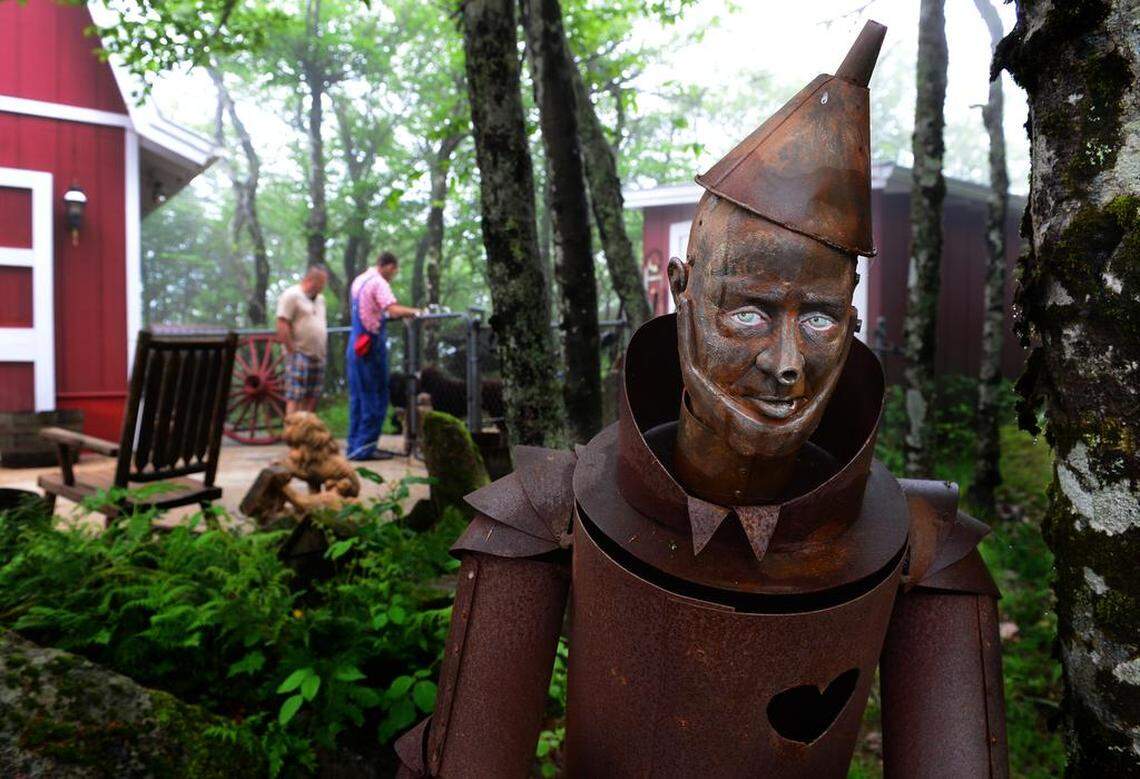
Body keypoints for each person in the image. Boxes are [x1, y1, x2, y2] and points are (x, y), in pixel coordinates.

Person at [346, 251, 420, 460]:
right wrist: (416, 311)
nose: (393, 275)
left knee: (358, 398)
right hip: (370, 347)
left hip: (355, 343)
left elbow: (371, 310)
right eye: (394, 271)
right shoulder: (378, 282)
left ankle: (354, 447)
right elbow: (393, 309)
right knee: (376, 397)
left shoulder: (359, 280)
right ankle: (365, 448)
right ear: (388, 266)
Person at [276, 265, 328, 415]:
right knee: (296, 396)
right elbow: (282, 323)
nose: (323, 287)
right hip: (299, 353)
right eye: (321, 283)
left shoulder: (321, 300)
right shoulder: (291, 295)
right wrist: (291, 350)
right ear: (310, 280)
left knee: (312, 397)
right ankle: (292, 434)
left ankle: (305, 432)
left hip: (318, 355)